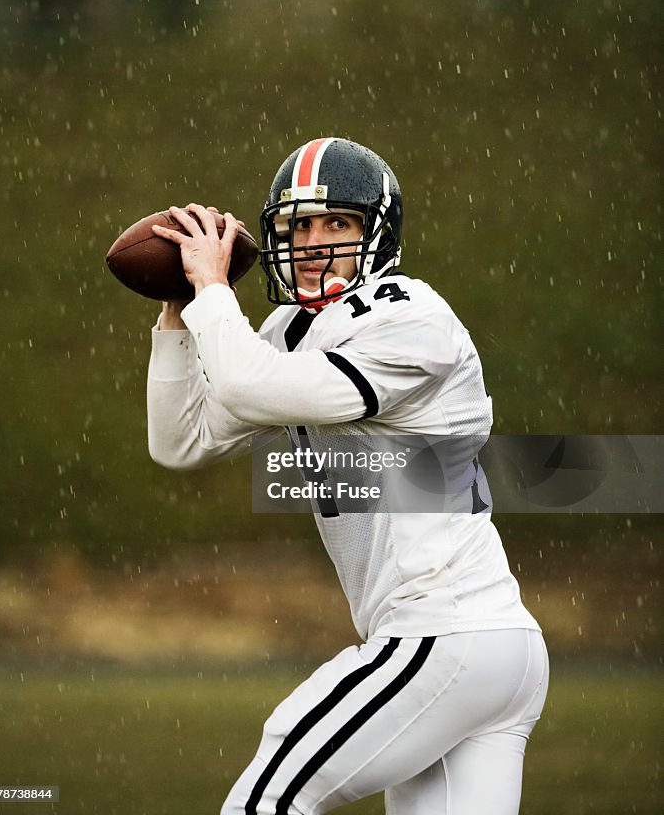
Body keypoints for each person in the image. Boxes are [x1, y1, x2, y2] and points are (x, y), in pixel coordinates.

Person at [146, 137, 548, 815]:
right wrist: (177, 317)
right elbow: (181, 442)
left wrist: (214, 289)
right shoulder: (290, 330)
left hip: (441, 635)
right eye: (297, 225)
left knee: (265, 800)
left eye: (338, 223)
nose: (312, 241)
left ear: (377, 234)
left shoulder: (409, 316)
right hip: (483, 649)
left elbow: (247, 387)